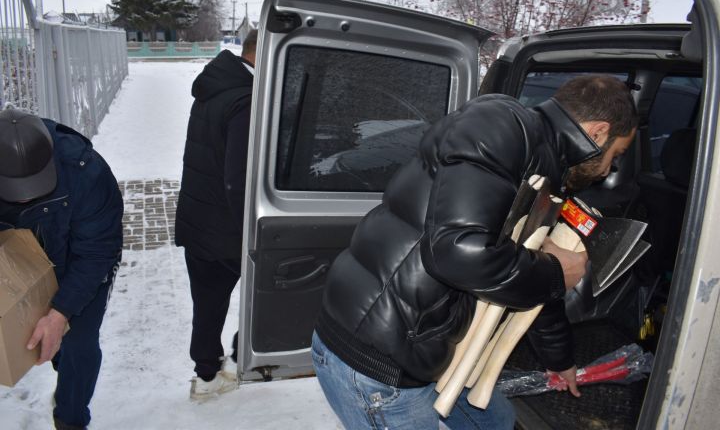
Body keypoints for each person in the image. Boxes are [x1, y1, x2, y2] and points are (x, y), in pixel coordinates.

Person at [312, 74, 638, 429]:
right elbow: (457, 254)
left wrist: (559, 358)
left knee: (496, 422)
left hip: (429, 348)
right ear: (599, 132)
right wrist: (558, 273)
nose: (609, 170)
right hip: (378, 362)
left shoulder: (545, 168)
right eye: (615, 155)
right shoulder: (501, 126)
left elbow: (532, 278)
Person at [0, 107, 124, 430]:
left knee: (79, 343)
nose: (25, 200)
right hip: (20, 255)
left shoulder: (86, 172)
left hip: (80, 259)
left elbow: (98, 251)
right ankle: (59, 356)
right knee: (58, 347)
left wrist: (60, 313)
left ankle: (70, 418)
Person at [175, 29, 257, 399]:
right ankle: (228, 365)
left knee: (207, 306)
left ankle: (207, 373)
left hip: (200, 219)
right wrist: (256, 227)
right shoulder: (244, 99)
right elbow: (237, 180)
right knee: (261, 295)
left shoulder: (217, 86)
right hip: (225, 230)